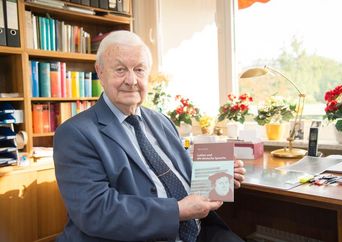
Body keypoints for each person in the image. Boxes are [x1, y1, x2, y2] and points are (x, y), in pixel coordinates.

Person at [53, 30, 246, 242]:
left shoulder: (161, 121)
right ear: (100, 72)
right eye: (120, 70)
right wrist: (178, 210)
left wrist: (219, 174)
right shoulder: (75, 133)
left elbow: (179, 176)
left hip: (197, 230)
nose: (131, 80)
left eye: (139, 70)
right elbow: (96, 211)